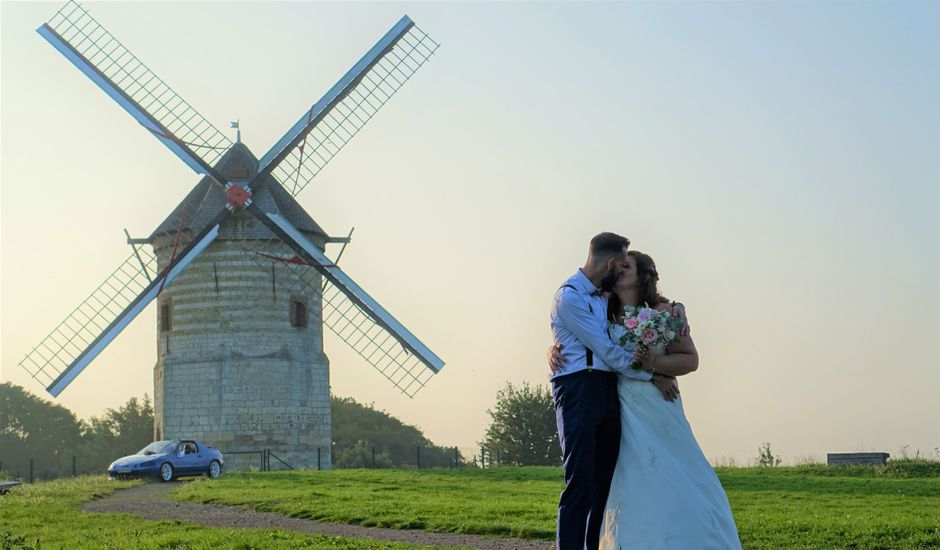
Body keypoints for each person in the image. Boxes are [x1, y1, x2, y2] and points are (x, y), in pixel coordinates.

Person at [554, 250, 741, 549]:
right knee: (627, 480)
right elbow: (580, 337)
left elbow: (690, 360)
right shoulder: (603, 308)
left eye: (626, 266)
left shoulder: (664, 312)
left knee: (675, 471)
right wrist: (554, 349)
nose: (618, 269)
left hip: (658, 405)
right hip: (620, 407)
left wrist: (654, 367)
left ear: (643, 276)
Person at [549, 233, 682, 550]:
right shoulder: (570, 298)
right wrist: (653, 372)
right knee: (579, 479)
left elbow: (652, 301)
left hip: (608, 388)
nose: (622, 270)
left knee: (603, 482)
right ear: (609, 262)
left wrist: (679, 307)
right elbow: (607, 349)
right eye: (620, 263)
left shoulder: (604, 296)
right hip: (579, 387)